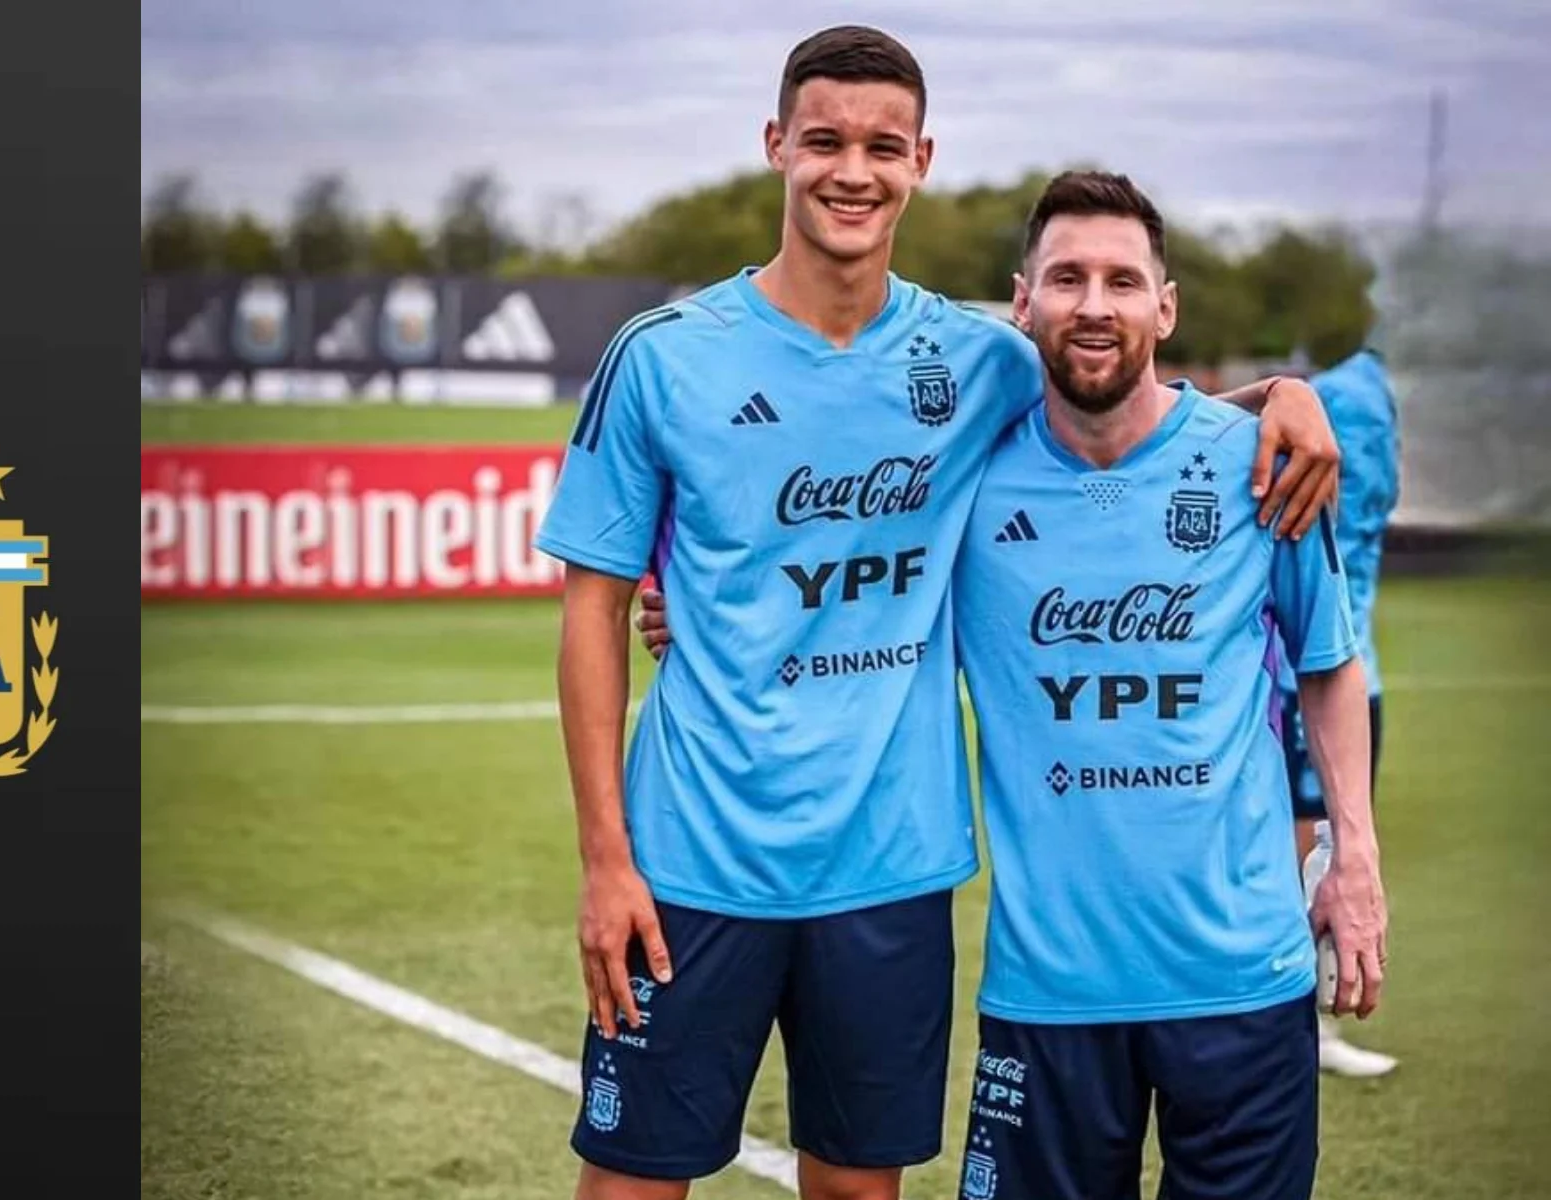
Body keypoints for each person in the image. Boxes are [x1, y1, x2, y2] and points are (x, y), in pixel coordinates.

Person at [534, 26, 1341, 1200]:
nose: (852, 171)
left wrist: (1285, 396)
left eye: (882, 147)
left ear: (921, 161)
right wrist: (606, 860)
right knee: (631, 1181)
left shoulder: (978, 360)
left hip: (892, 868)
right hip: (691, 858)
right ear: (776, 145)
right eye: (825, 141)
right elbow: (592, 612)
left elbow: (1126, 397)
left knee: (860, 1188)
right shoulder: (662, 358)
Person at [1280, 344, 1403, 1078]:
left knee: (1326, 839)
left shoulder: (1366, 391)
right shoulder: (1349, 397)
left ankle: (1311, 1020)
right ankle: (1302, 1023)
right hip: (1311, 665)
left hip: (1348, 663)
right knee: (1307, 844)